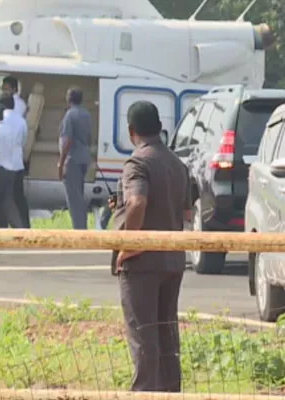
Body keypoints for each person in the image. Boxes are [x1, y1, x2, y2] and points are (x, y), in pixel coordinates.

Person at [112, 100, 192, 393]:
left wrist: (129, 247)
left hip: (142, 264)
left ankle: (144, 393)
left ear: (132, 131)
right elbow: (185, 214)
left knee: (143, 337)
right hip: (172, 261)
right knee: (166, 334)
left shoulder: (138, 162)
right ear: (159, 128)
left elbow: (138, 201)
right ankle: (171, 392)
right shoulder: (178, 164)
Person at [58, 87, 92, 230]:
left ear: (68, 98)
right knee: (79, 195)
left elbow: (68, 140)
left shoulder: (70, 115)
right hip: (84, 157)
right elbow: (89, 138)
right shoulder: (86, 114)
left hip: (72, 159)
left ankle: (79, 230)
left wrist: (61, 162)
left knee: (74, 199)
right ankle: (81, 227)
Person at [0, 93, 30, 228]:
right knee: (19, 198)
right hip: (17, 163)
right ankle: (25, 225)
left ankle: (3, 225)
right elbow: (23, 141)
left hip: (2, 163)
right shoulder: (21, 120)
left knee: (1, 198)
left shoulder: (0, 120)